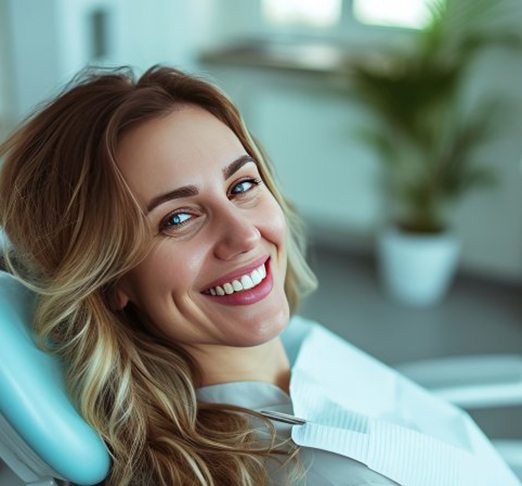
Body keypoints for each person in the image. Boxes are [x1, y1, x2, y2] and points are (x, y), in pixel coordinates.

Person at [0, 66, 401, 485]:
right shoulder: (307, 473)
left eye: (241, 186)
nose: (244, 234)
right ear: (111, 279)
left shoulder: (300, 351)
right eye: (177, 218)